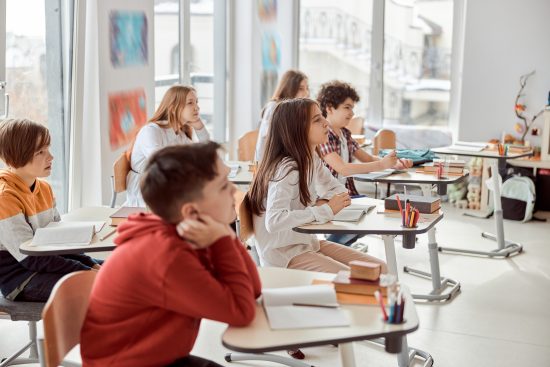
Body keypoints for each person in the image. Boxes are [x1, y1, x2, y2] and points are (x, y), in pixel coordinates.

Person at [81, 142, 260, 367]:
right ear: (191, 211)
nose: (235, 192)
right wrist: (224, 240)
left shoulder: (189, 230)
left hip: (160, 358)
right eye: (224, 186)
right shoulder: (166, 256)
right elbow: (242, 312)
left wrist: (227, 235)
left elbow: (252, 289)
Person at [0, 118, 101, 302]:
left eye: (48, 148)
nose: (50, 157)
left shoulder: (44, 189)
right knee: (102, 286)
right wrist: (85, 270)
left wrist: (90, 263)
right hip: (21, 278)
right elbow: (29, 258)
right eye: (40, 151)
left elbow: (59, 243)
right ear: (14, 159)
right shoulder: (4, 198)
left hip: (47, 266)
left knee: (119, 270)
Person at [317, 81, 413, 246]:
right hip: (327, 197)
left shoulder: (344, 134)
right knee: (360, 225)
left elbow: (367, 158)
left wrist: (393, 164)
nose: (352, 113)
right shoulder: (323, 135)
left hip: (346, 195)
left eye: (352, 108)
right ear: (330, 108)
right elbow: (343, 169)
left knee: (367, 221)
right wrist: (382, 165)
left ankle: (337, 251)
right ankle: (330, 250)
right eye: (347, 107)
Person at [123, 85, 211, 207]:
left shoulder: (179, 134)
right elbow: (160, 161)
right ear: (174, 109)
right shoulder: (151, 131)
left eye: (196, 102)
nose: (197, 107)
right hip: (147, 195)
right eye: (190, 103)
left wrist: (200, 128)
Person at [255, 70, 310, 161]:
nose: (306, 93)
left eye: (307, 88)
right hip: (270, 162)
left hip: (286, 160)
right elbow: (273, 140)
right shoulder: (274, 106)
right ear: (289, 88)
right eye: (301, 88)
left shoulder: (297, 109)